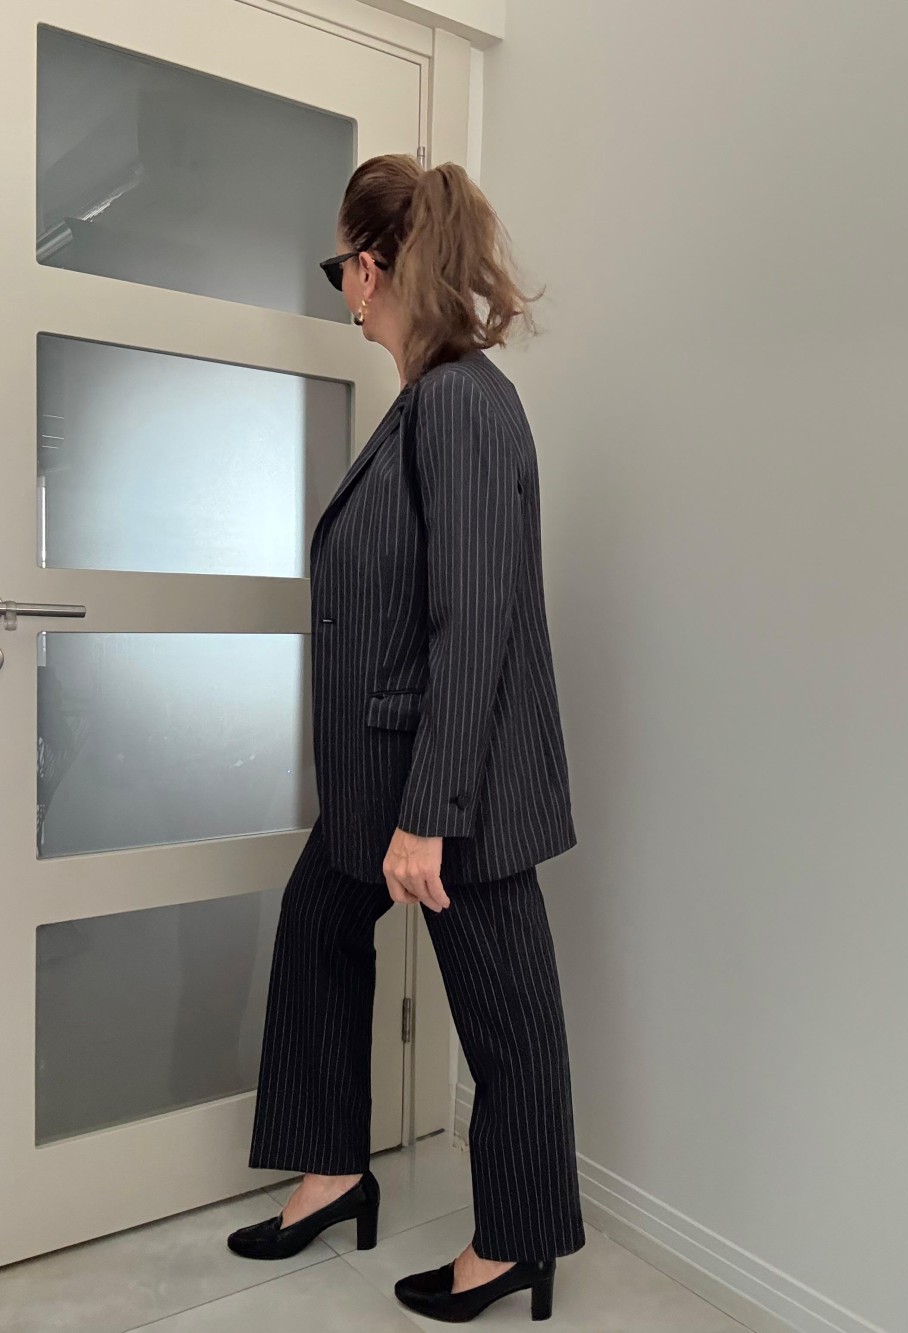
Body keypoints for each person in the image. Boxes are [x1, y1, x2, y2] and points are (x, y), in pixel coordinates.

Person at [226, 153, 585, 1323]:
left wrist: (427, 815)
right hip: (383, 775)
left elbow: (473, 620)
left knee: (506, 1018)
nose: (341, 288)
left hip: (451, 788)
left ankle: (517, 1240)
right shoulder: (427, 400)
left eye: (339, 265)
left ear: (369, 269)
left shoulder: (458, 402)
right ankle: (334, 1171)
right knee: (316, 927)